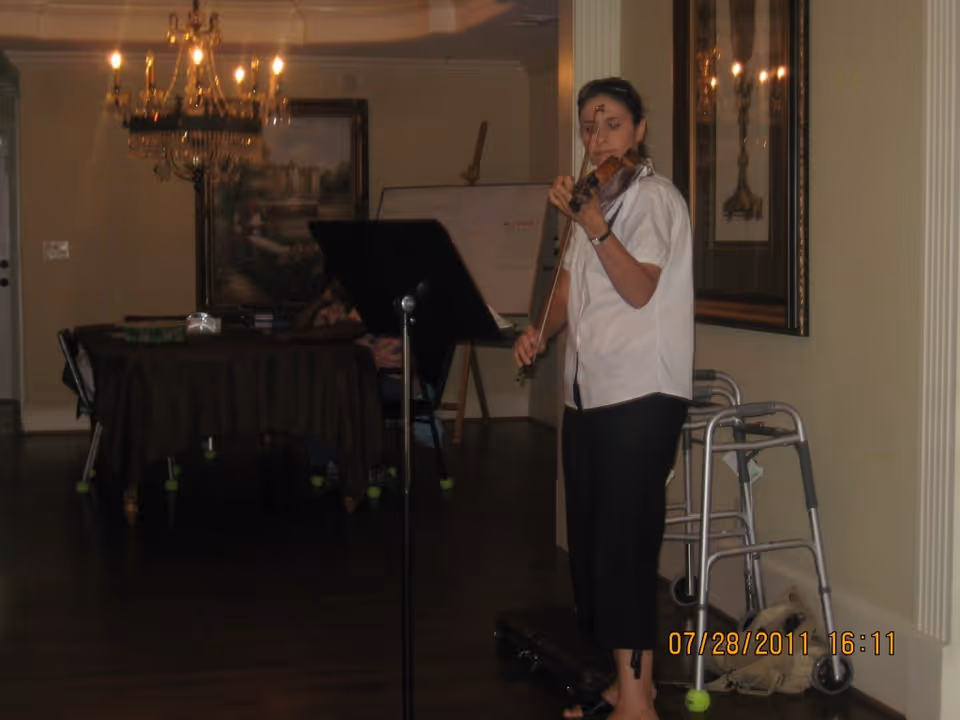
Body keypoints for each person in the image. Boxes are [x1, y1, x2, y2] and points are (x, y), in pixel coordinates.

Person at [513, 77, 694, 720]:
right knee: (591, 544)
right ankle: (626, 685)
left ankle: (638, 703)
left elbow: (640, 288)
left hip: (640, 394)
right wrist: (538, 331)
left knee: (623, 541)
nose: (597, 137)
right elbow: (566, 292)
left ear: (639, 130)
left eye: (611, 123)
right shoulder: (594, 202)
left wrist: (592, 226)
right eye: (589, 126)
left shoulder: (652, 200)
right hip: (588, 396)